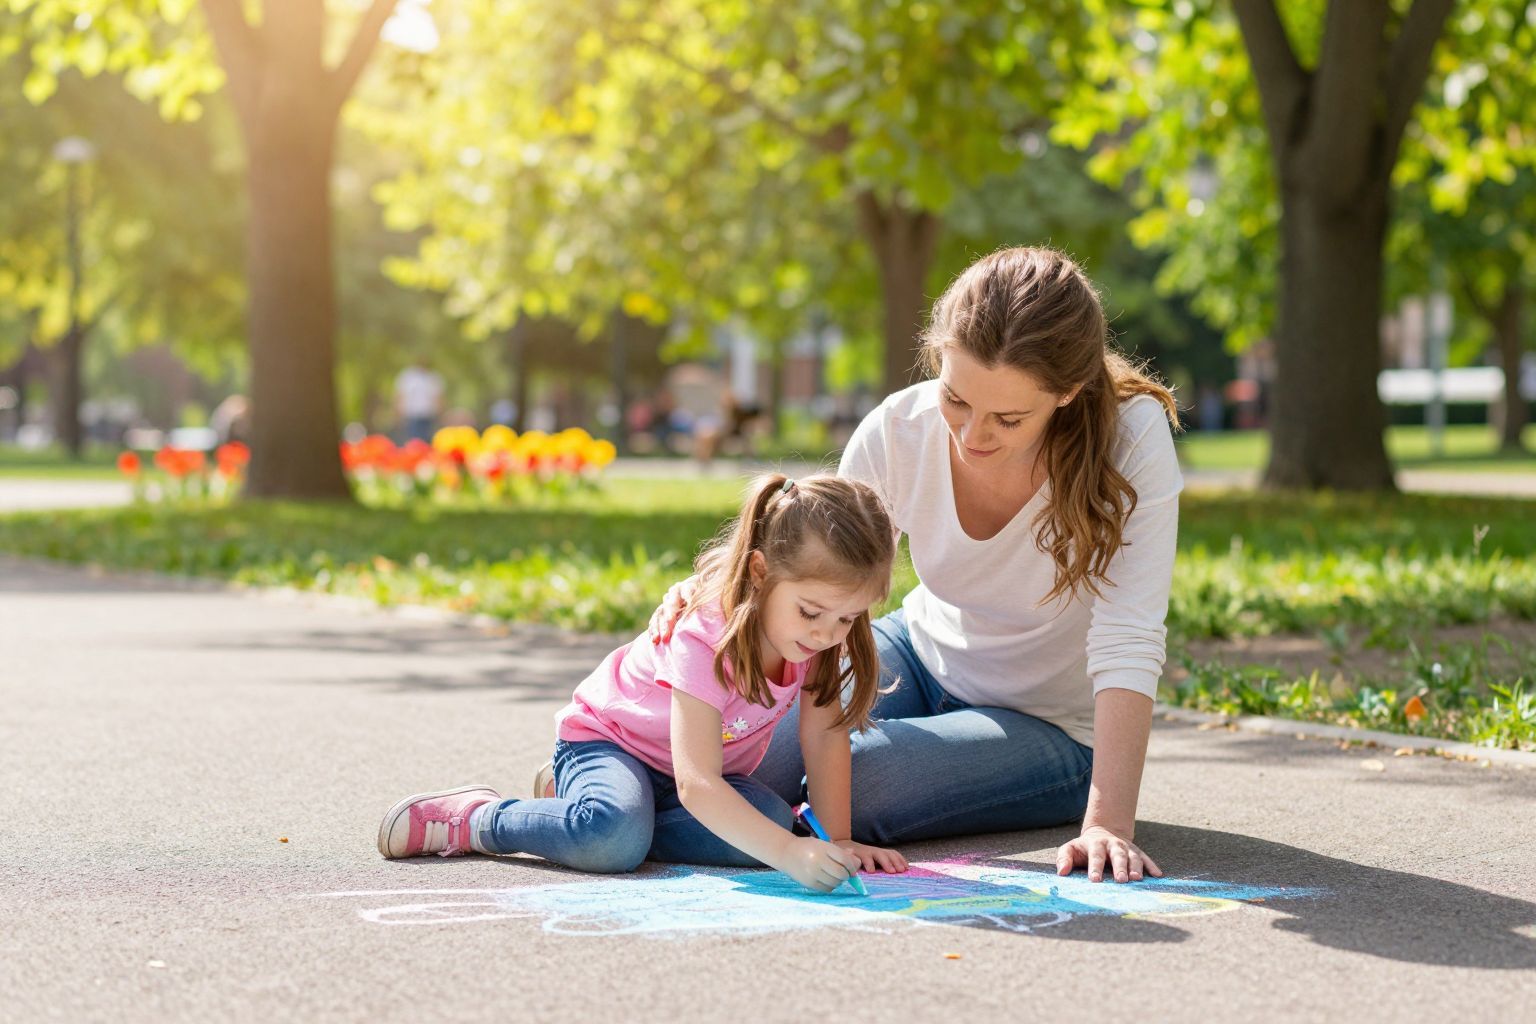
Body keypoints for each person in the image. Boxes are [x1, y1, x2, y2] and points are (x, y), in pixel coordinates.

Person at [652, 246, 1182, 885]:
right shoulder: (900, 428)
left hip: (1049, 726)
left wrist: (1107, 824)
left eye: (1008, 418)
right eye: (956, 399)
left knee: (855, 785)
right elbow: (819, 561)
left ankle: (635, 814)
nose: (971, 435)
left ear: (1067, 392)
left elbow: (1130, 635)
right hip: (917, 651)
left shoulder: (1131, 436)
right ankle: (600, 794)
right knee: (751, 745)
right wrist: (720, 587)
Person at [377, 474, 909, 893]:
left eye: (847, 619)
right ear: (759, 572)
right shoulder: (706, 635)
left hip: (679, 779)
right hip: (612, 744)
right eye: (813, 612)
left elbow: (822, 736)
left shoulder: (816, 639)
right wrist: (791, 853)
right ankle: (479, 818)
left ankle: (592, 809)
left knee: (768, 823)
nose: (826, 634)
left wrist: (836, 840)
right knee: (614, 841)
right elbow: (699, 784)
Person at [393, 358, 444, 443]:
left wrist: (440, 414)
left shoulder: (433, 377)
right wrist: (398, 414)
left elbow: (438, 398)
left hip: (428, 415)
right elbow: (400, 396)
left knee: (427, 440)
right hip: (412, 415)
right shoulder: (407, 377)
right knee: (413, 441)